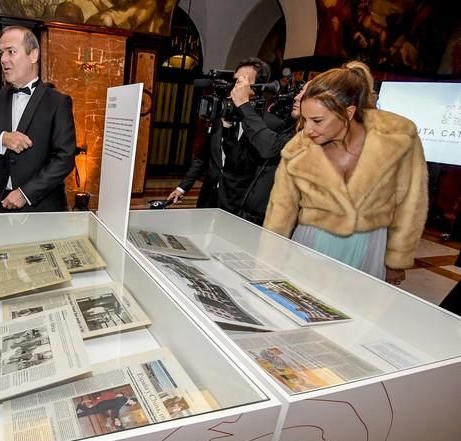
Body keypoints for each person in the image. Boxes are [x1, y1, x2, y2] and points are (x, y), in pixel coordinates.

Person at [264, 62, 428, 284]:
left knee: (356, 309)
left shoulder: (397, 140)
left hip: (368, 246)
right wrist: (269, 257)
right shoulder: (300, 145)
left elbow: (411, 204)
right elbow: (281, 206)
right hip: (311, 240)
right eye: (306, 119)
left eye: (317, 120)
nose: (307, 129)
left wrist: (397, 260)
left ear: (348, 113)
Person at [0, 25, 77, 213]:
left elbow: (65, 158)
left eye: (11, 52)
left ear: (33, 55)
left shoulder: (58, 102)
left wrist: (25, 193)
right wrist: (2, 138)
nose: (3, 60)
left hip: (41, 207)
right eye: (1, 53)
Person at [169, 58, 285, 223]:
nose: (237, 86)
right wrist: (182, 187)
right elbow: (203, 156)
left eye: (244, 81)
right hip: (208, 196)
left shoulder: (272, 125)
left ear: (259, 87)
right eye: (236, 80)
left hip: (237, 202)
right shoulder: (221, 113)